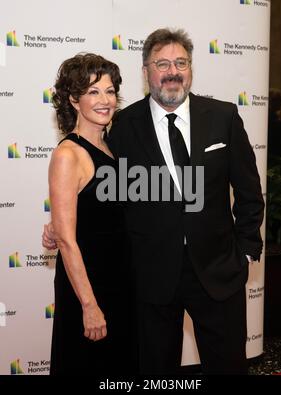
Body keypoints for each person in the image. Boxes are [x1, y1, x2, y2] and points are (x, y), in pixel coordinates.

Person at [44, 28, 265, 375]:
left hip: (219, 271)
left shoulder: (223, 117)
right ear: (146, 73)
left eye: (181, 62)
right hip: (149, 279)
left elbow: (250, 192)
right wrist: (59, 225)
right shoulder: (122, 128)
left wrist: (247, 249)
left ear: (191, 69)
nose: (172, 71)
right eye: (162, 63)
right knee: (155, 374)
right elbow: (100, 191)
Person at [47, 53, 135, 375]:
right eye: (93, 92)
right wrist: (89, 305)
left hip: (122, 281)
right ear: (73, 99)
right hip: (90, 286)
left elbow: (104, 212)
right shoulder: (69, 154)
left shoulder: (115, 146)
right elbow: (68, 241)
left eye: (110, 91)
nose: (105, 100)